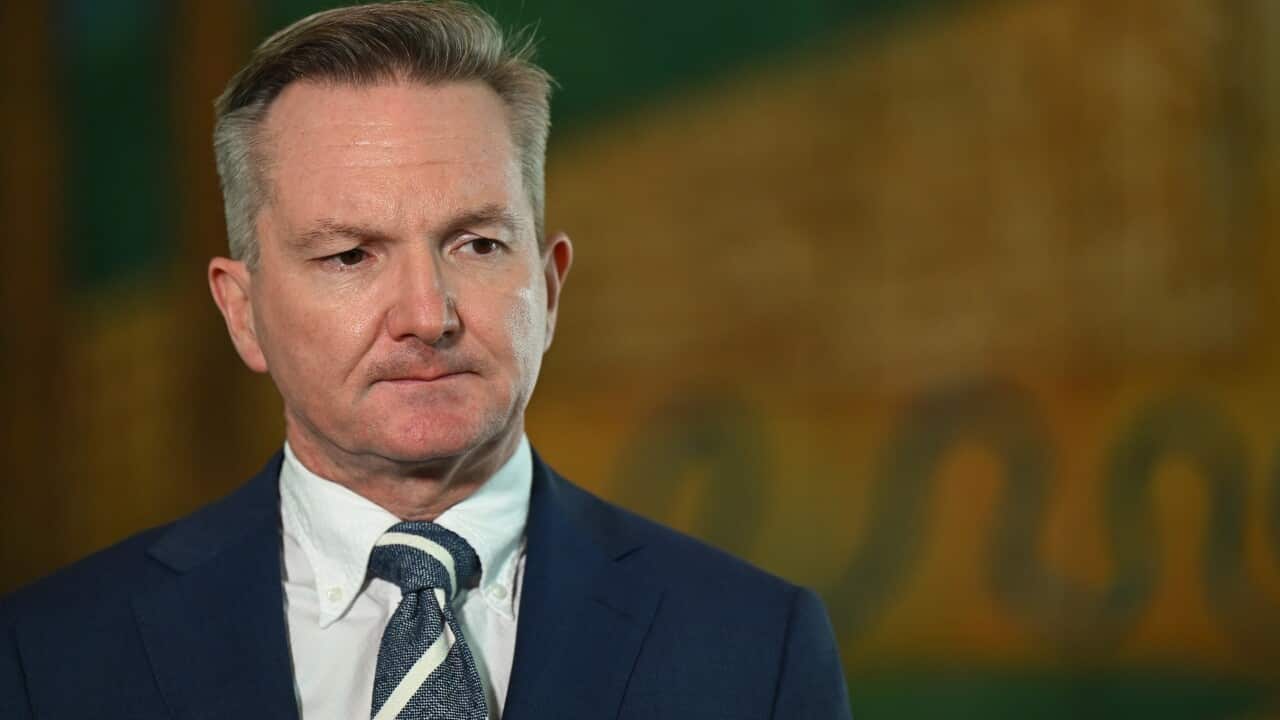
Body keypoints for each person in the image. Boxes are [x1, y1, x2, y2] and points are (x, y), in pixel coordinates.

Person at [0, 3, 851, 718]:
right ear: (242, 311)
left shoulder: (755, 649)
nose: (427, 316)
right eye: (350, 256)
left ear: (549, 289)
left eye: (477, 244)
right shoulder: (51, 657)